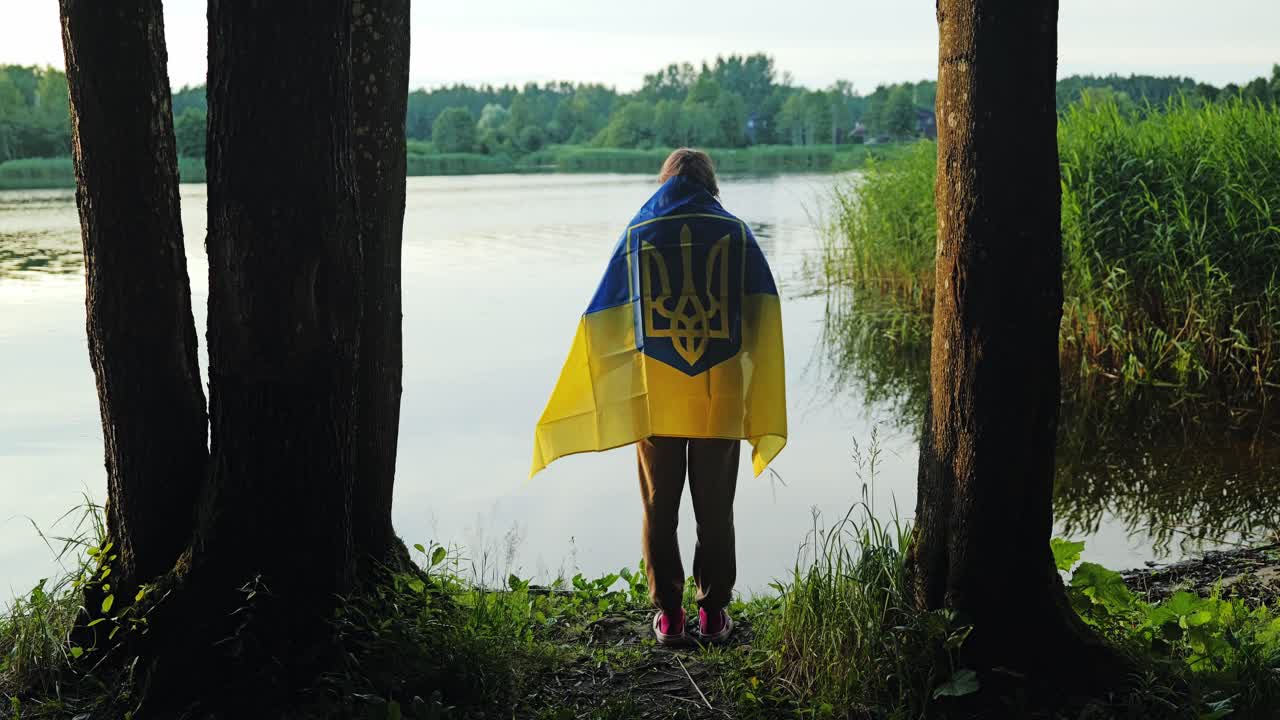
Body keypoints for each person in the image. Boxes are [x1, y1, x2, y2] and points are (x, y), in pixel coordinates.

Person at [530, 148, 787, 646]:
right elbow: (761, 317)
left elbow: (607, 320)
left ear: (664, 181)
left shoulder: (638, 234)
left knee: (658, 506)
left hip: (657, 390)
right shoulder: (735, 233)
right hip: (721, 391)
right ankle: (712, 615)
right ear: (710, 183)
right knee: (715, 509)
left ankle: (670, 617)